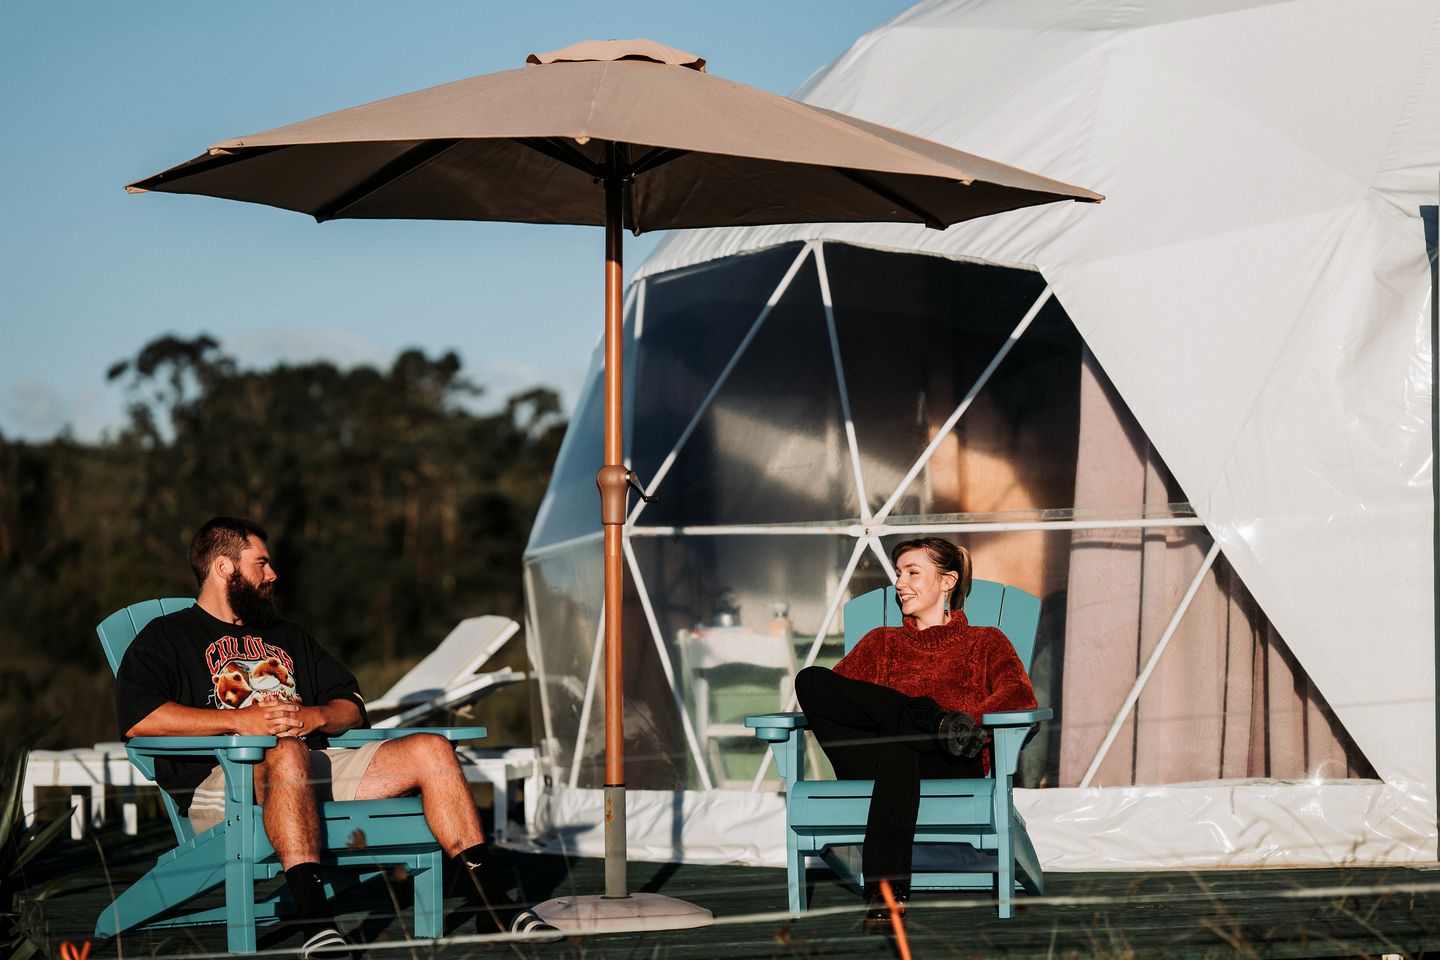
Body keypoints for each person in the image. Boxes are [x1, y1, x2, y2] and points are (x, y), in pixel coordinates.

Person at [115, 517, 558, 957]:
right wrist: (240, 722)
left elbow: (351, 706)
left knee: (432, 748)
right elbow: (142, 719)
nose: (272, 574)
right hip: (226, 782)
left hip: (310, 767)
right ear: (224, 568)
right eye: (261, 563)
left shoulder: (286, 635)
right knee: (285, 750)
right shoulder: (167, 637)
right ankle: (316, 923)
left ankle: (493, 905)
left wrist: (316, 716)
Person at [794, 537, 1037, 932]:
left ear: (947, 581)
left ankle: (885, 895)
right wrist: (935, 722)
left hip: (954, 759)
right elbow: (835, 699)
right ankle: (932, 721)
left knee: (897, 744)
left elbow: (1018, 696)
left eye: (912, 572)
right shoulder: (879, 643)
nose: (900, 583)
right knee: (811, 679)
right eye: (898, 573)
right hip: (876, 760)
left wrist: (967, 721)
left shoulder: (984, 642)